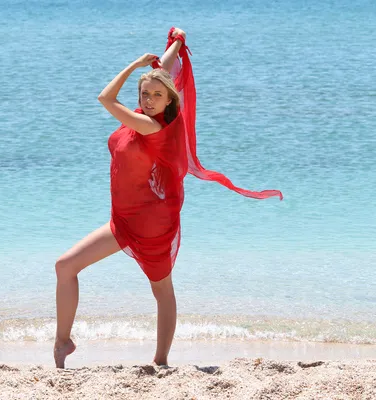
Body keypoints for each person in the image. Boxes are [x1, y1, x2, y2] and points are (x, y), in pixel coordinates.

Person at [53, 27, 282, 369]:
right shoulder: (146, 113)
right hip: (124, 219)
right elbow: (166, 70)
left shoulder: (152, 126)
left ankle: (160, 360)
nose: (148, 100)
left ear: (170, 100)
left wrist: (134, 66)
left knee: (162, 291)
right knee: (65, 266)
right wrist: (176, 43)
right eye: (144, 94)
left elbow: (105, 98)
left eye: (156, 96)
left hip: (152, 227)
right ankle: (63, 341)